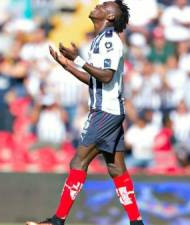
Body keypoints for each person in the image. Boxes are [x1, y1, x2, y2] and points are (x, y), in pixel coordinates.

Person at [26, 1, 145, 225]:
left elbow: (106, 76)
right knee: (116, 168)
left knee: (78, 162)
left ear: (110, 17)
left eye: (104, 5)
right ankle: (136, 222)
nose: (98, 5)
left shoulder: (109, 41)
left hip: (104, 112)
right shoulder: (99, 40)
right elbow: (94, 80)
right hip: (111, 111)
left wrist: (77, 59)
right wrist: (67, 65)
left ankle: (57, 221)